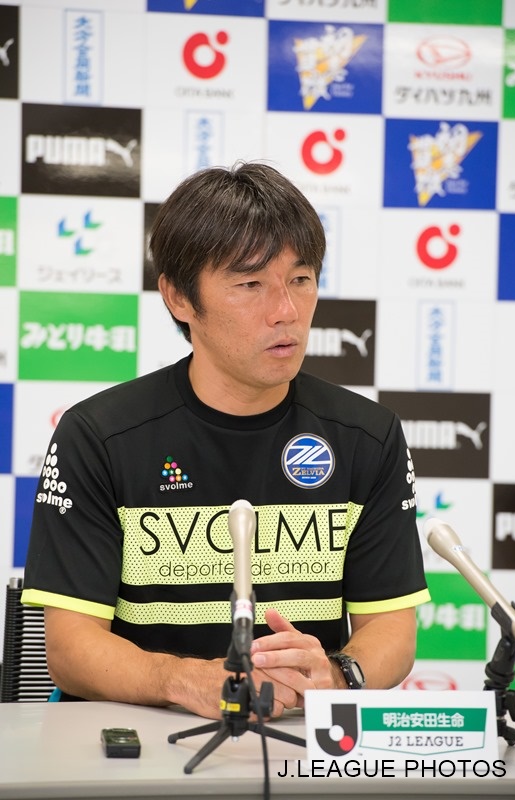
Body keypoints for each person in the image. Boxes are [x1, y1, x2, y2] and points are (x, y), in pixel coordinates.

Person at [21, 161, 430, 719]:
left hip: (296, 739)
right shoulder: (99, 436)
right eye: (250, 284)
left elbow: (390, 627)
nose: (286, 311)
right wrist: (185, 680)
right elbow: (70, 649)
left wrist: (337, 675)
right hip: (138, 734)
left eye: (301, 279)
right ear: (179, 298)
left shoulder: (367, 436)